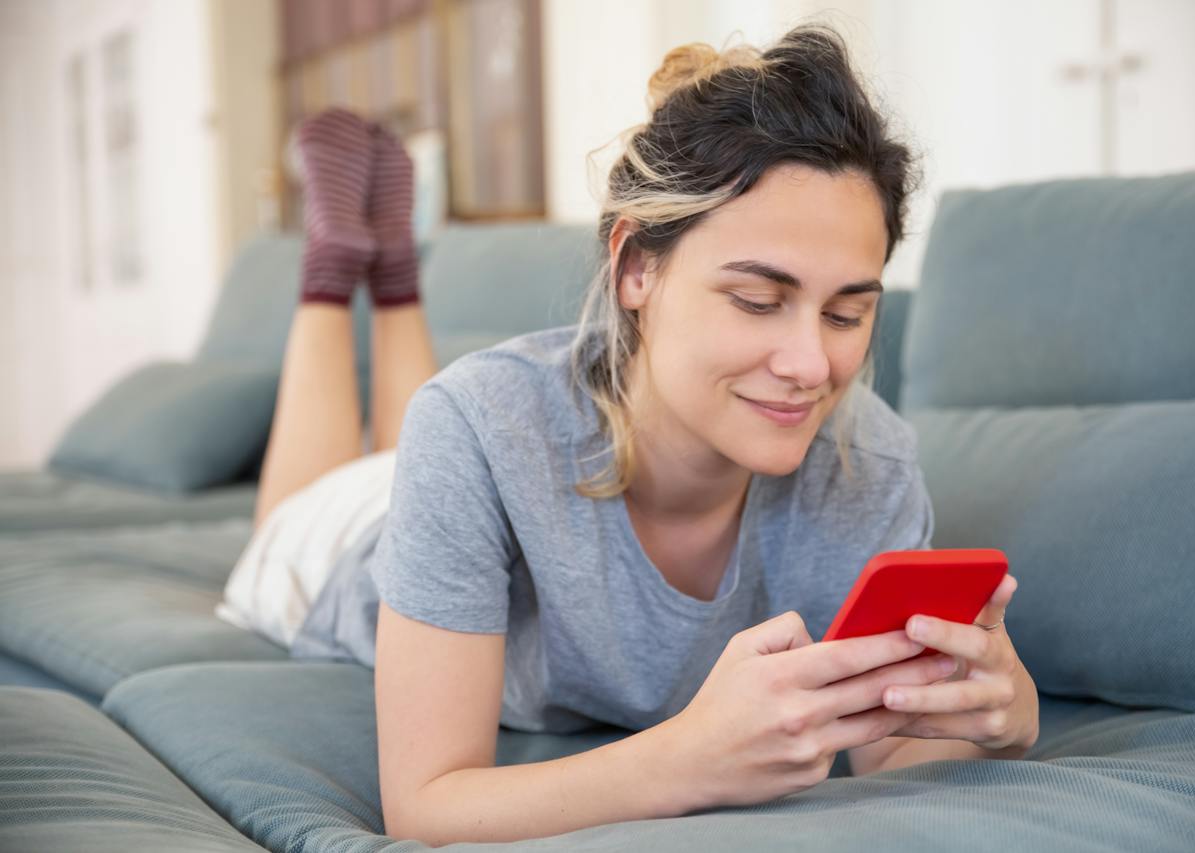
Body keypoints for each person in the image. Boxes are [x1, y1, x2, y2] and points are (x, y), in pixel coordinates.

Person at [219, 24, 1040, 848]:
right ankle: (339, 265)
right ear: (635, 269)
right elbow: (427, 804)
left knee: (418, 431)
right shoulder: (474, 426)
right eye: (757, 300)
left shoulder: (871, 467)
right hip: (347, 541)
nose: (810, 363)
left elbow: (887, 749)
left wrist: (999, 719)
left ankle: (394, 262)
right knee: (317, 494)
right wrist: (686, 760)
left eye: (846, 312)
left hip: (460, 451)